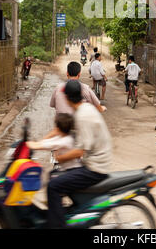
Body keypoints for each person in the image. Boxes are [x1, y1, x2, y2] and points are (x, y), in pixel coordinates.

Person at [46, 80, 112, 228]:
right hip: (93, 162)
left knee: (53, 186)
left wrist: (60, 157)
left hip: (95, 168)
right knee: (54, 174)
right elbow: (63, 129)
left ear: (66, 98)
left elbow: (80, 151)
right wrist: (38, 142)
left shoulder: (83, 116)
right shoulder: (84, 109)